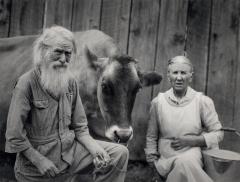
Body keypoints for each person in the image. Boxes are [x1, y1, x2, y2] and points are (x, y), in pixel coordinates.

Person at [5, 26, 129, 182]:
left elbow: (80, 128)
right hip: (36, 167)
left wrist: (96, 150)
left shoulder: (70, 82)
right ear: (43, 52)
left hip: (69, 154)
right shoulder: (26, 83)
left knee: (119, 153)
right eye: (58, 52)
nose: (63, 59)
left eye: (68, 53)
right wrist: (39, 160)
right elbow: (14, 136)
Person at [145, 55, 224, 182]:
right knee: (182, 165)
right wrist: (152, 161)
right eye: (175, 73)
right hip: (166, 158)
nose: (179, 77)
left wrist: (193, 141)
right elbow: (151, 136)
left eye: (184, 73)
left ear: (191, 76)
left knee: (185, 163)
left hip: (191, 154)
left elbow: (219, 133)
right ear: (169, 75)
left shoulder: (202, 101)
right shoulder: (158, 102)